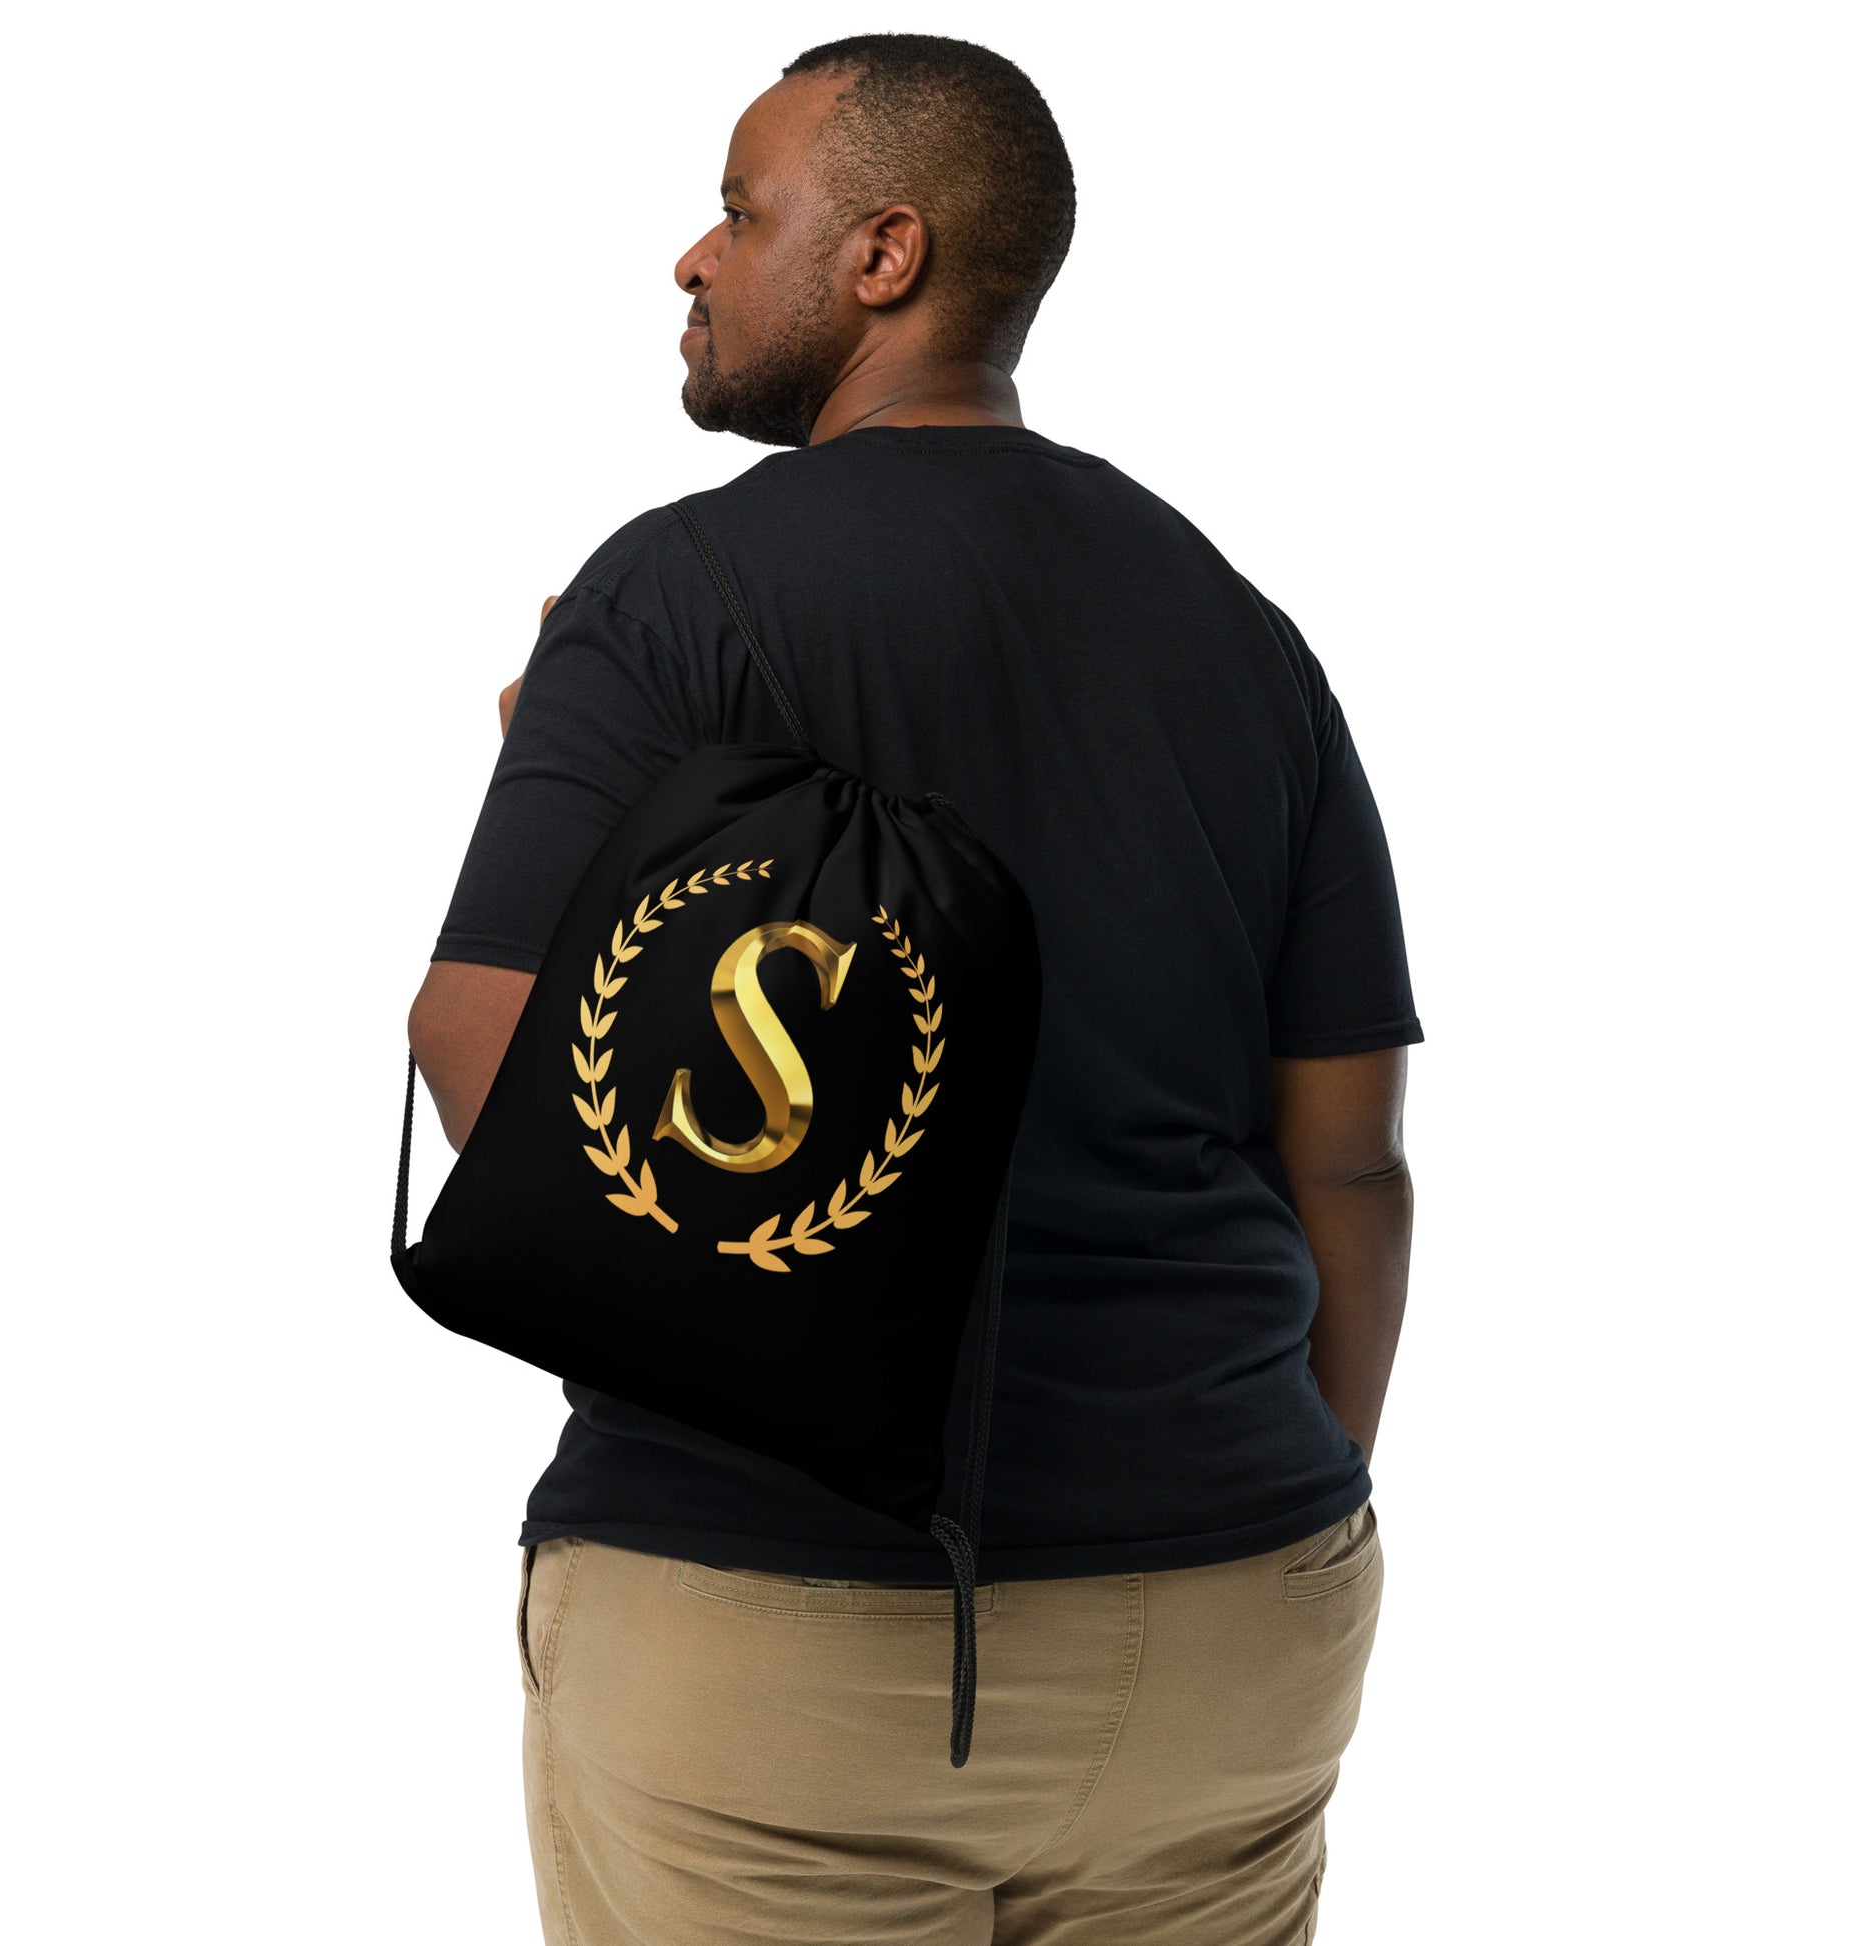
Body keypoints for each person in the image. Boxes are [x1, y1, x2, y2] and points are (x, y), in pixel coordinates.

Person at [406, 32, 1420, 1946]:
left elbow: (483, 1060)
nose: (692, 257)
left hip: (778, 1636)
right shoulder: (1241, 630)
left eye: (738, 211)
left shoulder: (676, 594)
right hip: (1231, 1628)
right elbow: (1348, 1161)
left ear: (883, 255)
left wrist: (580, 810)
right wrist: (1251, 1510)